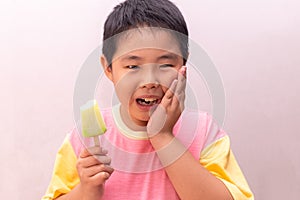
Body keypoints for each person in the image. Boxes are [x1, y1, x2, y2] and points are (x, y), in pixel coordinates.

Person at [42, 0, 254, 199]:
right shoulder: (83, 141)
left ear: (184, 65)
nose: (150, 81)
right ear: (108, 68)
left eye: (165, 65)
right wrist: (86, 190)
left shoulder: (202, 130)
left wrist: (163, 136)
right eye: (133, 66)